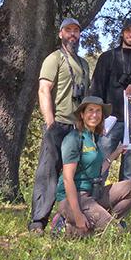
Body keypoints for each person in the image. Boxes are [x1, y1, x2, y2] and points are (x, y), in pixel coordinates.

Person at [28, 18, 91, 234]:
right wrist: (50, 122)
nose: (72, 34)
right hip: (59, 125)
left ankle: (65, 217)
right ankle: (38, 221)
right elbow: (44, 89)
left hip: (77, 128)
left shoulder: (83, 64)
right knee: (48, 172)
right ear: (61, 33)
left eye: (76, 31)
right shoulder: (54, 59)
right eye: (68, 30)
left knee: (73, 175)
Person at [52, 96, 131, 236]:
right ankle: (66, 223)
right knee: (116, 233)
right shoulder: (74, 139)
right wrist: (77, 215)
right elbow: (67, 179)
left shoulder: (93, 138)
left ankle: (99, 222)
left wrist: (116, 153)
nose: (94, 114)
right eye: (90, 110)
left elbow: (98, 169)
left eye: (98, 111)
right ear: (82, 114)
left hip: (93, 195)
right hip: (74, 198)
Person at [90, 18, 131, 181]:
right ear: (123, 33)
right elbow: (96, 89)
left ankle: (121, 206)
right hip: (110, 121)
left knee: (128, 174)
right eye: (128, 31)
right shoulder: (107, 57)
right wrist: (97, 120)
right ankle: (93, 204)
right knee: (99, 168)